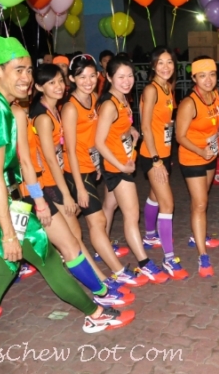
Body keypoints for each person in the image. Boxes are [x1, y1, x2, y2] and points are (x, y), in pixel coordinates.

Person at [0, 36, 134, 374]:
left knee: (10, 268)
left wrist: (33, 200)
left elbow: (11, 164)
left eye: (28, 70)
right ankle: (95, 313)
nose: (25, 78)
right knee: (31, 260)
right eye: (17, 70)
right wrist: (8, 232)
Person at [28, 63, 134, 307]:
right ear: (39, 87)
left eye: (59, 81)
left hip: (66, 177)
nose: (58, 86)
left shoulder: (57, 108)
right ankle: (102, 284)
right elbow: (54, 159)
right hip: (51, 184)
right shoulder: (48, 116)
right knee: (76, 237)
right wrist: (68, 193)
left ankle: (100, 281)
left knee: (73, 237)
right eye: (51, 83)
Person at [61, 54, 147, 288]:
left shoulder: (93, 98)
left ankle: (99, 258)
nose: (88, 81)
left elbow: (104, 131)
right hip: (77, 171)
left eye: (92, 76)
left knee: (103, 211)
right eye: (81, 77)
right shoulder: (70, 107)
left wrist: (129, 130)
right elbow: (70, 150)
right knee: (97, 221)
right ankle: (118, 271)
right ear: (72, 79)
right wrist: (79, 187)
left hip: (92, 166)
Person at [95, 56, 170, 284]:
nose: (127, 81)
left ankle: (101, 246)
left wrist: (131, 131)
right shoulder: (109, 104)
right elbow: (99, 142)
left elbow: (118, 127)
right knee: (132, 215)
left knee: (110, 205)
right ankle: (144, 263)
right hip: (117, 167)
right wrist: (119, 166)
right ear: (109, 78)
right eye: (121, 77)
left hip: (122, 162)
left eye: (129, 76)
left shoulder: (122, 98)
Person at [139, 46, 188, 280]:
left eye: (169, 62)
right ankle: (169, 259)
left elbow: (164, 123)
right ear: (153, 66)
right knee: (167, 204)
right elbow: (146, 126)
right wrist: (156, 160)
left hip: (164, 152)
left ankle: (150, 235)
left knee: (156, 196)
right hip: (152, 155)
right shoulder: (151, 89)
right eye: (160, 62)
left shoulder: (168, 87)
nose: (166, 67)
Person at [175, 56, 219, 278]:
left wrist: (218, 141)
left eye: (212, 74)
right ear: (194, 78)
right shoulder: (189, 103)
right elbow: (180, 136)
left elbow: (214, 126)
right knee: (201, 202)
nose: (208, 80)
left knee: (200, 201)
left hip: (210, 154)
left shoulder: (216, 96)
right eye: (202, 76)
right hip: (192, 157)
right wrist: (200, 151)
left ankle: (197, 234)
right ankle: (202, 255)